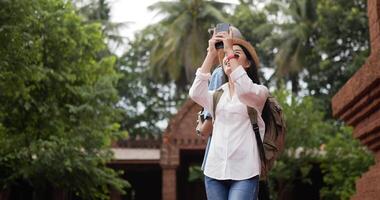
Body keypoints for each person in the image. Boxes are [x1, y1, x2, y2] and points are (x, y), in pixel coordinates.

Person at [189, 25, 269, 200]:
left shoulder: (258, 93)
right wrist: (211, 54)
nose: (228, 57)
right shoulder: (217, 95)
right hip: (214, 171)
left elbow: (245, 88)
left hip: (245, 172)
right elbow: (195, 93)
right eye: (225, 55)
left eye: (235, 54)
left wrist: (229, 49)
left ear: (247, 63)